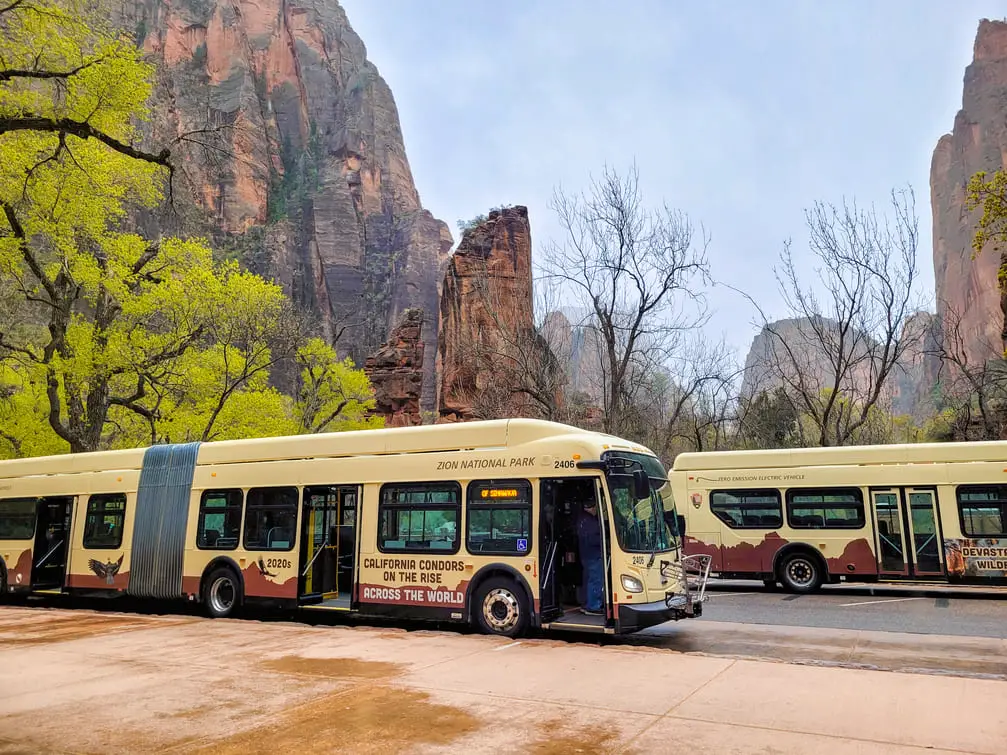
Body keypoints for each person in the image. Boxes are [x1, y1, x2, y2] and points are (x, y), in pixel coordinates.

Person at [576, 497, 604, 615]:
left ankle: (586, 602)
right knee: (595, 579)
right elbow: (593, 539)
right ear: (593, 507)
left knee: (588, 579)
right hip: (594, 554)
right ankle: (593, 606)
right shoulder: (591, 522)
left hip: (585, 554)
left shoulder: (582, 519)